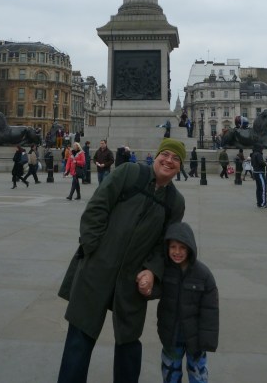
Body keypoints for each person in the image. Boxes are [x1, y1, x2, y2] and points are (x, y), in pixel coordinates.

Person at [56, 138, 186, 383]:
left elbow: (166, 245)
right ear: (156, 156)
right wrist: (93, 250)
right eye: (166, 155)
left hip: (133, 280)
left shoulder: (175, 202)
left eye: (176, 158)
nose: (169, 161)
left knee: (128, 344)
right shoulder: (129, 173)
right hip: (97, 269)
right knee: (79, 339)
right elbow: (97, 207)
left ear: (180, 166)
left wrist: (152, 272)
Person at [156, 222, 219, 383]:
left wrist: (207, 341)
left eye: (183, 248)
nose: (177, 252)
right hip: (172, 336)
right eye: (173, 247)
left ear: (190, 248)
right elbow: (153, 291)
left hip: (195, 339)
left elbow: (210, 311)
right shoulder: (164, 270)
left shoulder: (203, 275)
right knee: (170, 373)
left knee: (197, 373)